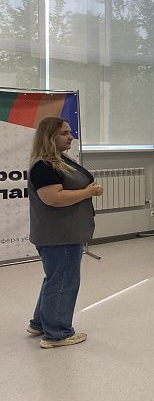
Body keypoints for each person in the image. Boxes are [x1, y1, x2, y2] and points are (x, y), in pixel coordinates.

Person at [26, 117, 103, 349]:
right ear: (49, 137)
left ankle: (40, 323)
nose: (71, 137)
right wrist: (88, 192)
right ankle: (57, 334)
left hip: (63, 233)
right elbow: (53, 198)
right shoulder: (44, 165)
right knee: (63, 281)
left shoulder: (58, 160)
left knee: (55, 278)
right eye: (64, 133)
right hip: (59, 235)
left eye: (70, 132)